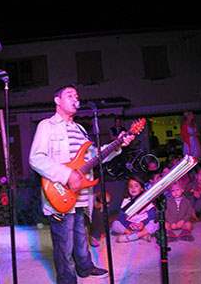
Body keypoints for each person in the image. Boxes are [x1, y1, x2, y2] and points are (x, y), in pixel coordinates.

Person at [29, 84, 134, 284]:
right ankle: (67, 280)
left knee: (80, 235)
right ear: (57, 101)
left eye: (76, 95)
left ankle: (85, 267)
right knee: (64, 243)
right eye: (70, 94)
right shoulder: (47, 126)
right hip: (59, 192)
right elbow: (36, 158)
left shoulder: (80, 129)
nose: (75, 97)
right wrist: (67, 174)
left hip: (82, 195)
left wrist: (117, 145)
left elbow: (94, 157)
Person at [111, 175, 158, 243]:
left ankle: (136, 235)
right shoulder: (126, 200)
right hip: (130, 225)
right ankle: (131, 233)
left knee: (155, 223)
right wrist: (129, 224)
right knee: (115, 224)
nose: (133, 188)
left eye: (136, 186)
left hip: (143, 224)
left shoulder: (146, 200)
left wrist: (142, 223)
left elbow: (152, 214)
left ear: (141, 188)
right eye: (131, 186)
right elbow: (121, 215)